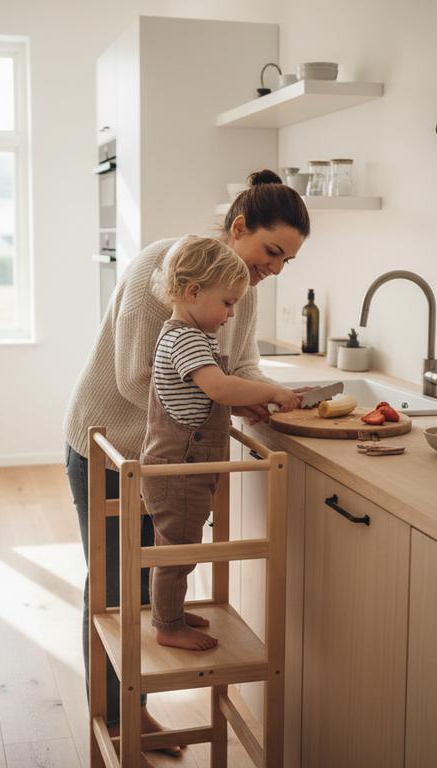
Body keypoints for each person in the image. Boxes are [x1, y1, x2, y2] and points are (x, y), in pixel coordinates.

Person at [62, 169, 309, 753]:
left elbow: (238, 364)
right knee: (116, 590)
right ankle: (119, 718)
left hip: (169, 460)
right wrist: (231, 394)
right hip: (109, 447)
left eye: (286, 263)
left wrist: (261, 395)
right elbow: (136, 380)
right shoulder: (164, 271)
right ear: (238, 226)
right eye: (271, 251)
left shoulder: (237, 292)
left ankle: (130, 711)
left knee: (157, 576)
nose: (273, 269)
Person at [141, 236, 301, 652]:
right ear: (193, 293)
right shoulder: (188, 339)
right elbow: (219, 388)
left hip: (182, 467)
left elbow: (202, 399)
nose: (232, 314)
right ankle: (168, 626)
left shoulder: (185, 334)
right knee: (178, 553)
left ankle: (169, 614)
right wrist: (273, 393)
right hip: (180, 471)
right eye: (228, 303)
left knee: (178, 550)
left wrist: (245, 406)